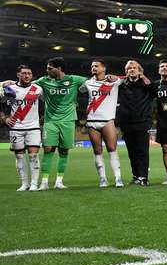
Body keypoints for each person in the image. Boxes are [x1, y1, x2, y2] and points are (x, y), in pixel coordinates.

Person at [33, 58, 88, 190]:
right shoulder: (44, 80)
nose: (47, 70)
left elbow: (92, 81)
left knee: (64, 150)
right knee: (48, 149)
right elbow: (27, 84)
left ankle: (59, 181)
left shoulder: (74, 79)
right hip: (50, 120)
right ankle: (44, 182)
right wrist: (7, 83)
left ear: (59, 68)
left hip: (68, 121)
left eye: (50, 68)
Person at [80, 60, 125, 187]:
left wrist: (116, 77)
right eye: (92, 66)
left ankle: (117, 178)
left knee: (112, 149)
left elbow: (130, 77)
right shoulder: (88, 83)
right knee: (97, 150)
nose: (93, 67)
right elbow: (79, 89)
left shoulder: (114, 81)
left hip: (108, 120)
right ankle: (103, 179)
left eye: (96, 66)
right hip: (92, 121)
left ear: (104, 68)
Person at [1, 65, 43, 191]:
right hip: (16, 127)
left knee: (33, 156)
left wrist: (42, 117)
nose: (27, 76)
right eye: (24, 73)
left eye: (29, 73)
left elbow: (47, 103)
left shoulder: (38, 89)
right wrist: (4, 118)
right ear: (18, 74)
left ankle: (34, 184)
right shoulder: (10, 89)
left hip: (33, 127)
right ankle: (24, 184)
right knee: (19, 156)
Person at [116, 60, 154, 186]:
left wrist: (145, 80)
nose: (132, 70)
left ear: (139, 71)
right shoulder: (121, 85)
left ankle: (143, 177)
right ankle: (136, 176)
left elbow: (154, 94)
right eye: (129, 68)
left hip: (143, 122)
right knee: (131, 152)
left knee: (142, 151)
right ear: (126, 72)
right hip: (126, 123)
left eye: (134, 68)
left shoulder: (147, 84)